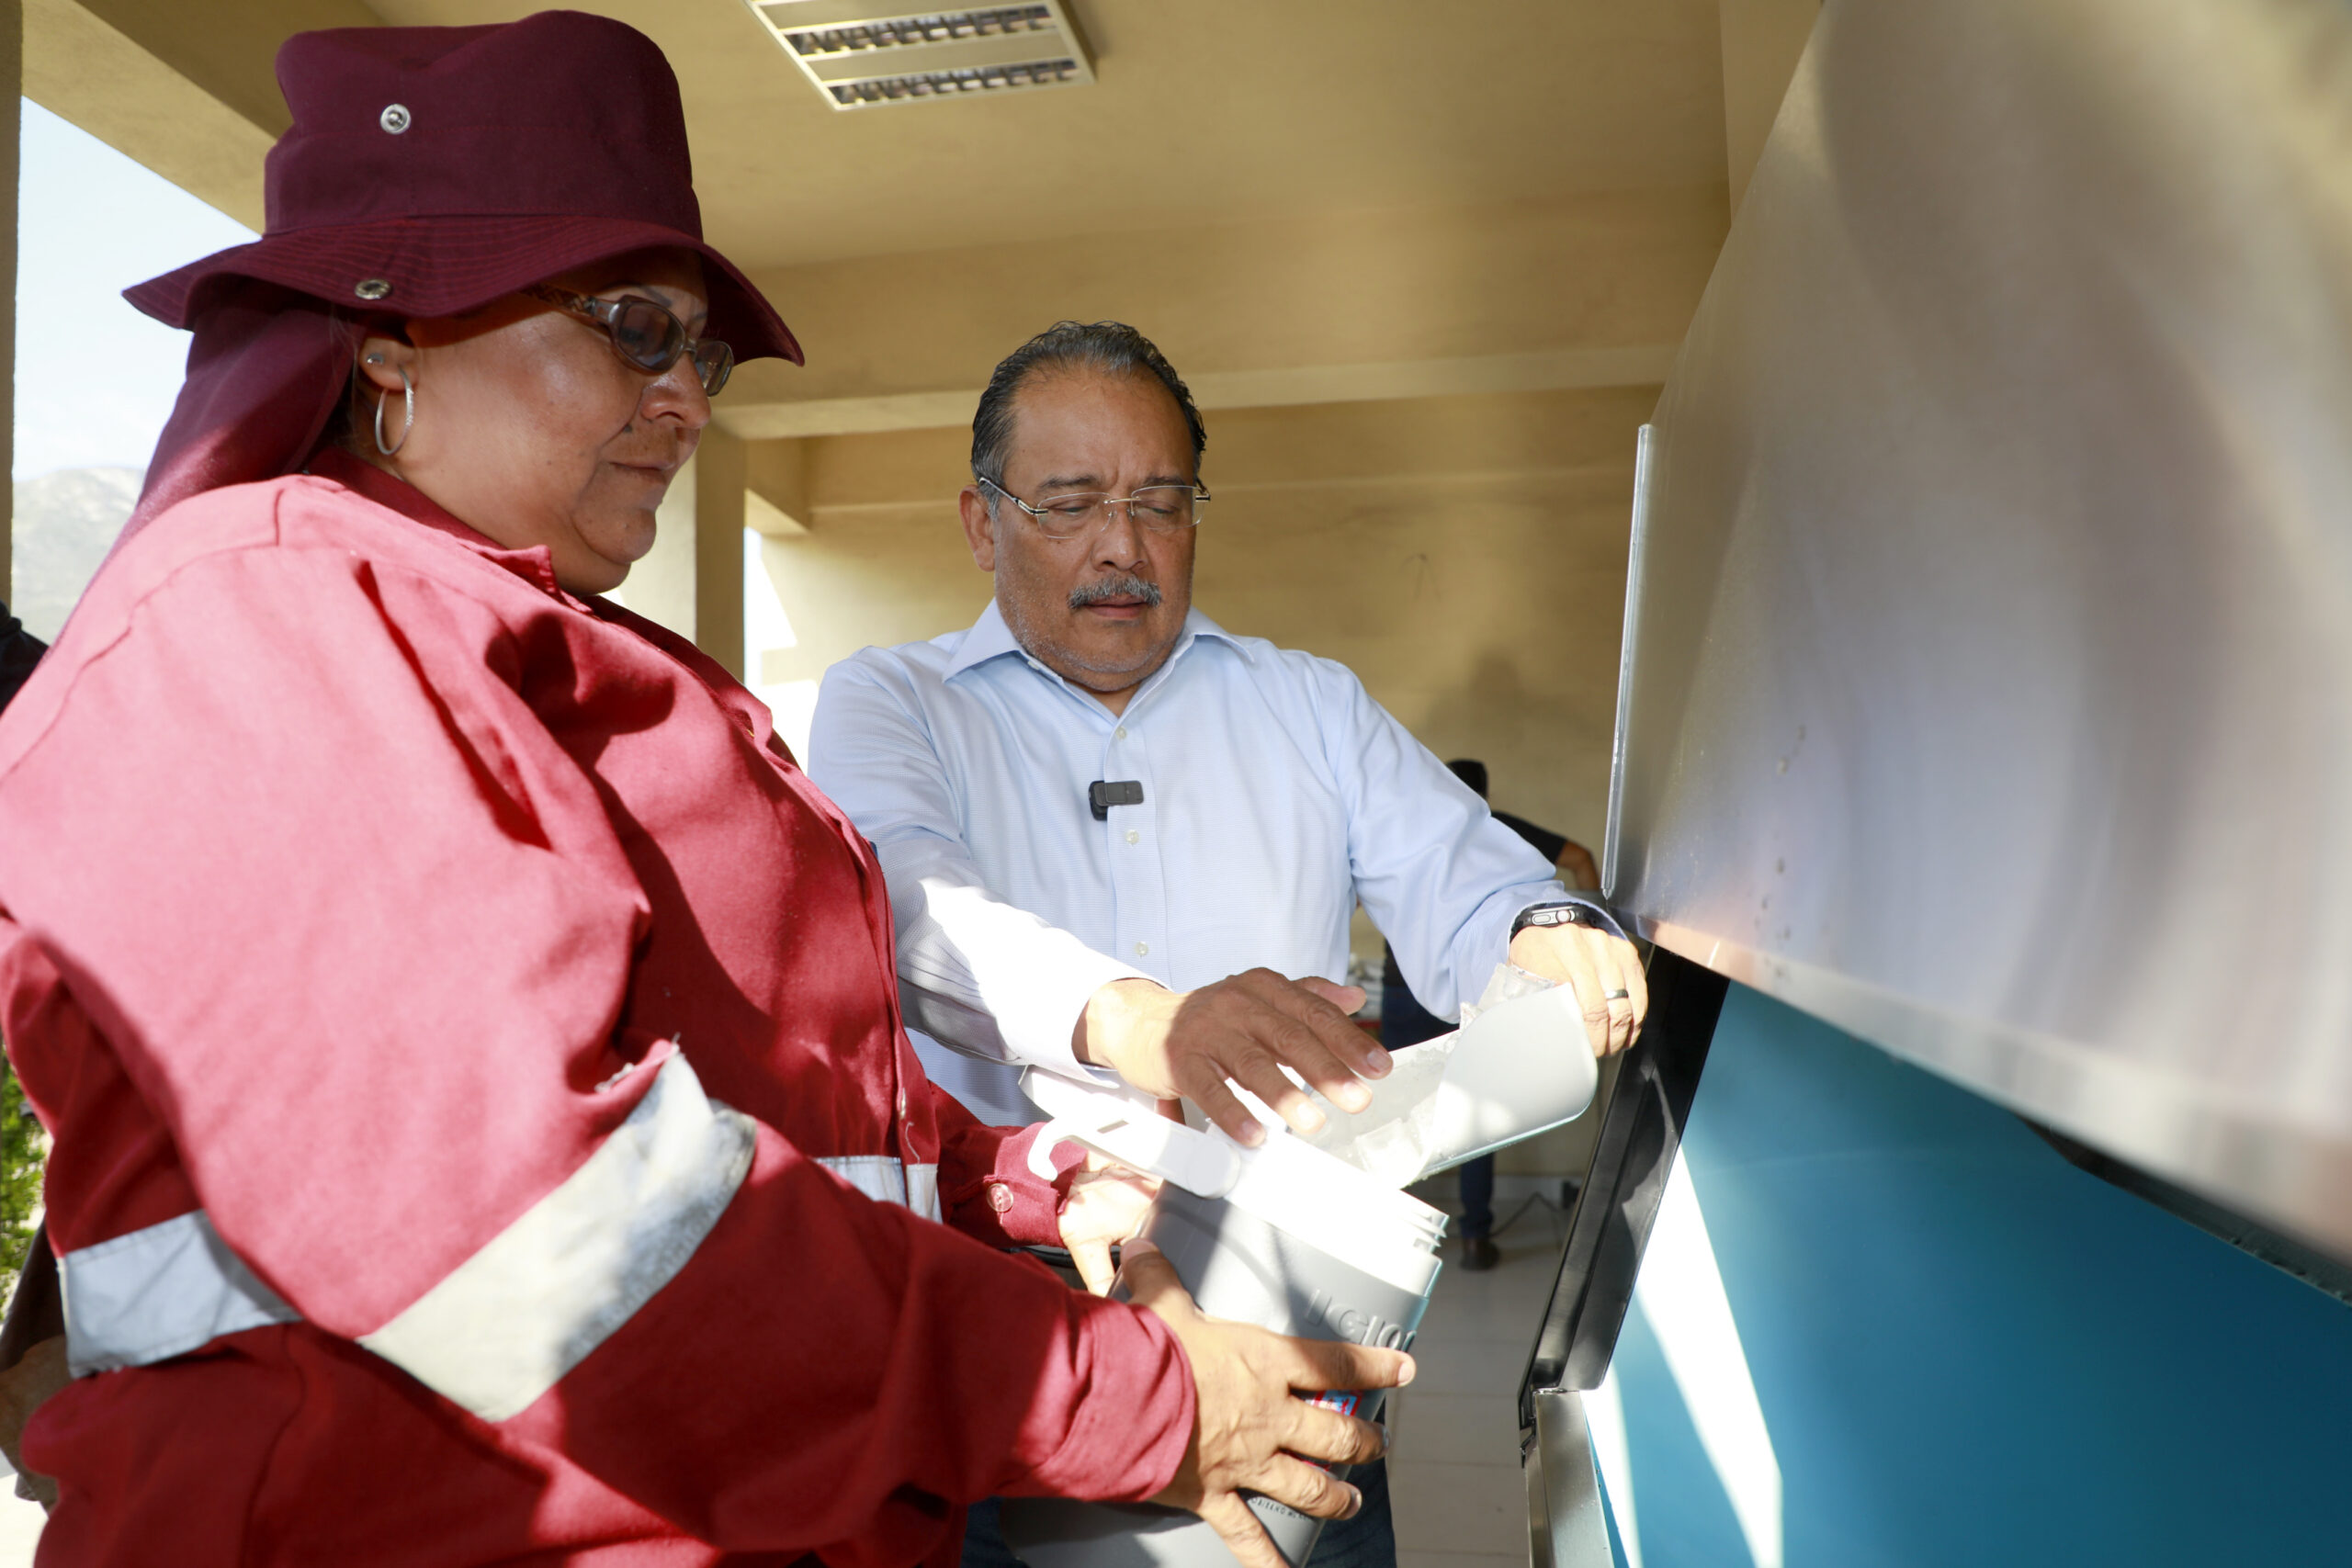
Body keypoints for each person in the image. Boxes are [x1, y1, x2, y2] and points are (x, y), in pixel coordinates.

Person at [0, 19, 1406, 1566]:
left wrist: (1004, 1171)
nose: (689, 399)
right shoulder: (260, 623)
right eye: (632, 328)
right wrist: (1117, 1392)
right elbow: (539, 1226)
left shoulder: (521, 635)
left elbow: (750, 1074)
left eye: (703, 350)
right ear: (384, 338)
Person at [808, 321, 1651, 1568]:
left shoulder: (1304, 703)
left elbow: (1458, 879)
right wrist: (1147, 1019)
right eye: (1072, 501)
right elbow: (911, 905)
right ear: (984, 525)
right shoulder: (893, 701)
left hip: (1296, 1314)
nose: (1121, 542)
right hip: (1021, 1310)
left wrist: (1546, 932)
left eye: (1159, 499)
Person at [1378, 759, 1599, 1272]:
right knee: (1472, 1111)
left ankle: (1393, 1243)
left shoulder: (1407, 833)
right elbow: (1581, 857)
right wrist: (1586, 929)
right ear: (1484, 795)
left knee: (1395, 1109)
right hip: (1472, 993)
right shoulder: (1502, 831)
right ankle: (1475, 1239)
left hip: (1404, 990)